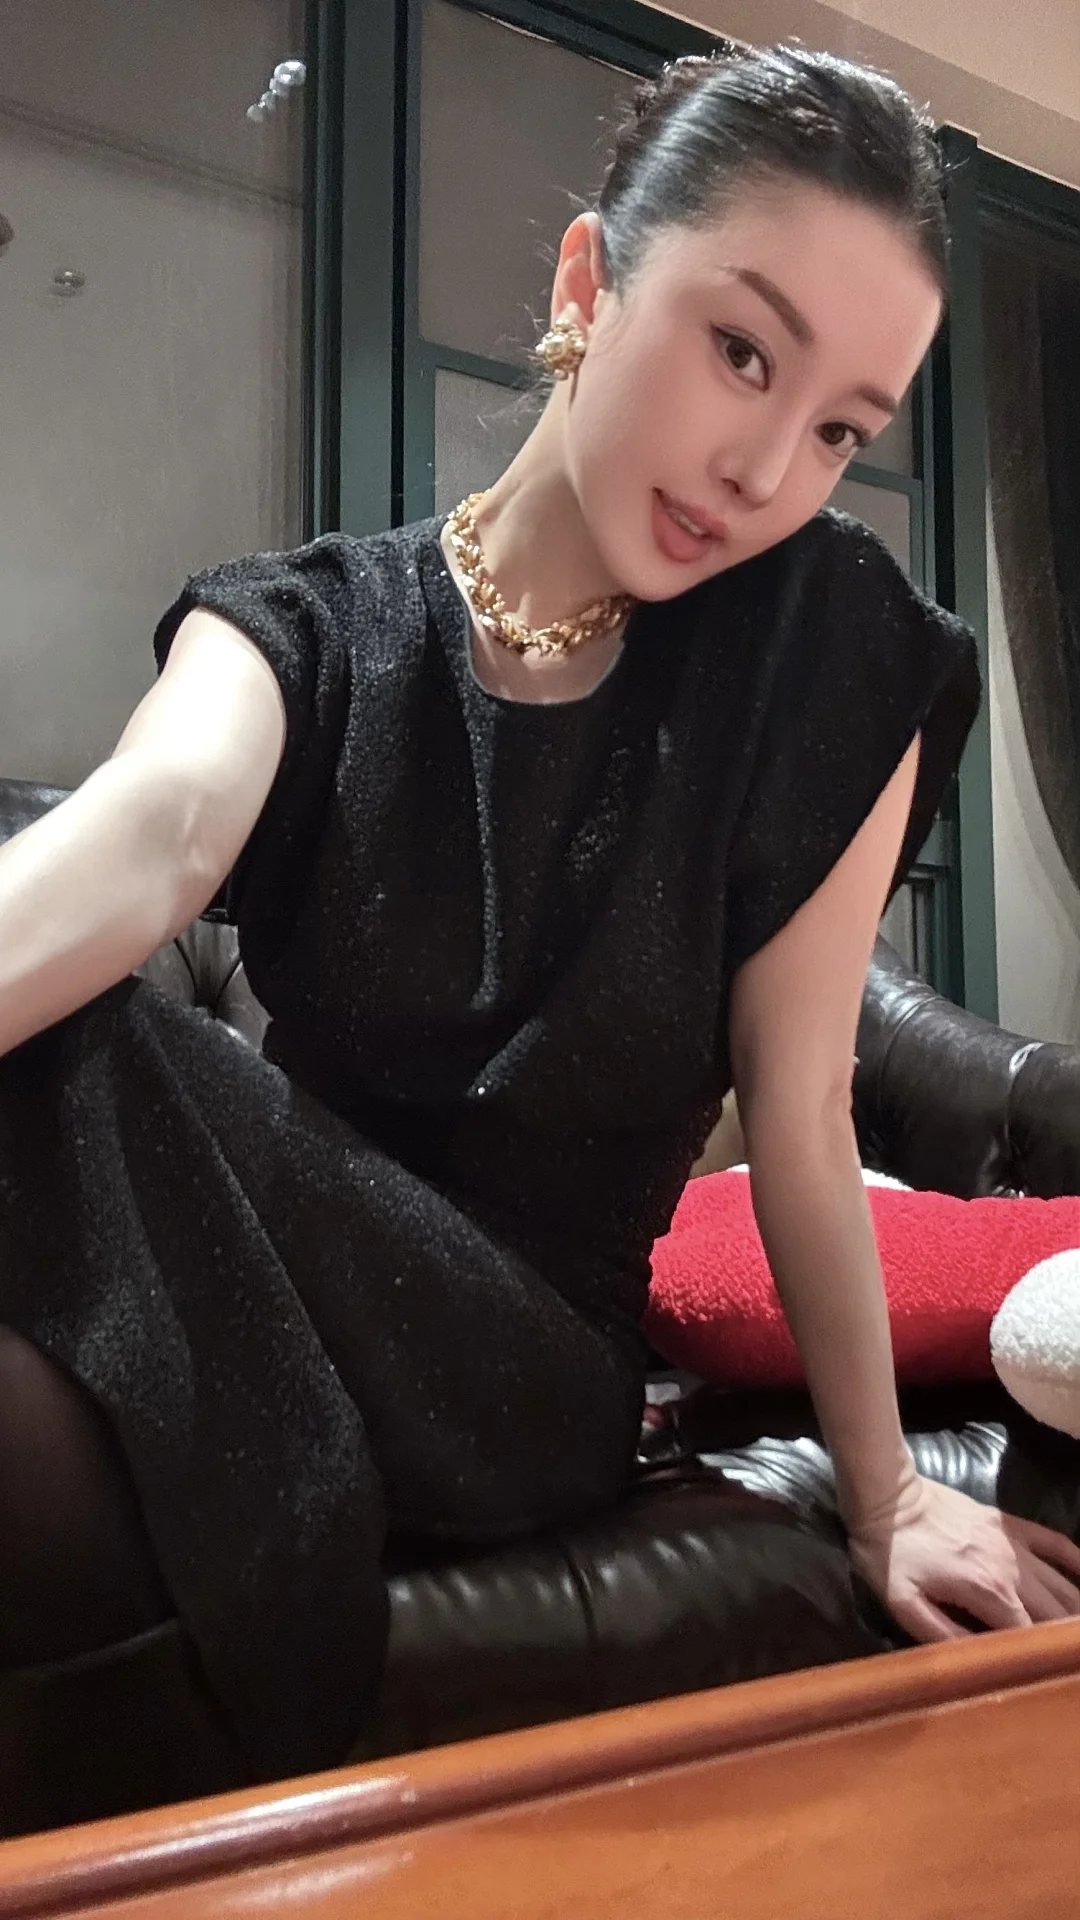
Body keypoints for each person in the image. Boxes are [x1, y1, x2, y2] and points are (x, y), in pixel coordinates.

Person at [2, 41, 1079, 1800]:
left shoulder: (833, 651)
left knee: (81, 1043)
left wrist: (888, 1493)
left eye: (840, 431)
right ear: (589, 281)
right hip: (245, 1316)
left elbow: (803, 1106)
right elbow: (154, 832)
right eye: (743, 351)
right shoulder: (306, 624)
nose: (768, 469)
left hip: (514, 1374)